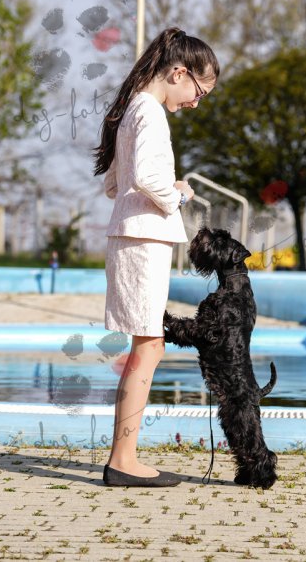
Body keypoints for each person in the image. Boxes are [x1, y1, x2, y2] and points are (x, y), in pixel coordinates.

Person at [93, 26, 219, 487]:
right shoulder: (149, 111)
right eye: (198, 92)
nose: (196, 103)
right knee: (148, 348)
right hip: (143, 240)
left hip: (133, 236)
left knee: (147, 346)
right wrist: (177, 194)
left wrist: (161, 188)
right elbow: (146, 176)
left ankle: (123, 457)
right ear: (179, 73)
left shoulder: (132, 109)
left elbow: (114, 183)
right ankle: (123, 461)